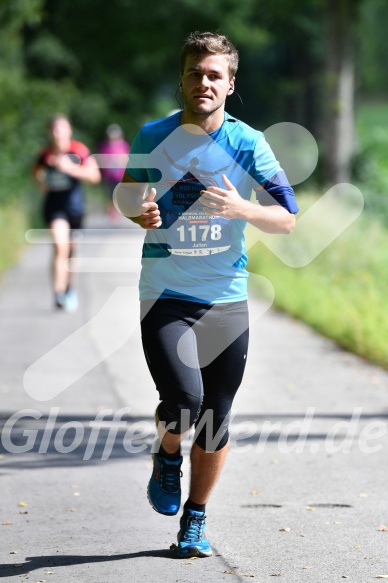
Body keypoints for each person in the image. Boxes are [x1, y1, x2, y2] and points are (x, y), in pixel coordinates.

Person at [115, 31, 299, 558]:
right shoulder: (153, 135)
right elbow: (127, 191)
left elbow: (287, 218)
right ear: (182, 79)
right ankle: (167, 455)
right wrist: (136, 211)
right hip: (165, 293)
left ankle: (194, 519)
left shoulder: (248, 143)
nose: (204, 82)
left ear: (230, 84)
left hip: (226, 296)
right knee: (184, 401)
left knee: (216, 413)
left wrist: (243, 209)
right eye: (196, 73)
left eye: (214, 74)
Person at [33, 114, 101, 311]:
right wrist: (41, 183)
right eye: (54, 129)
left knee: (71, 252)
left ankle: (69, 289)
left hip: (75, 207)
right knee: (59, 246)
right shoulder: (45, 154)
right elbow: (36, 171)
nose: (58, 133)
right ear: (50, 132)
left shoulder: (78, 151)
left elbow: (94, 176)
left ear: (69, 131)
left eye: (62, 129)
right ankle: (58, 293)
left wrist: (71, 169)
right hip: (54, 208)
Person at [98, 123, 130, 219]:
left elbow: (127, 159)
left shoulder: (124, 145)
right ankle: (112, 213)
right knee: (110, 195)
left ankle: (117, 211)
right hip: (109, 177)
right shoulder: (104, 146)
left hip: (121, 176)